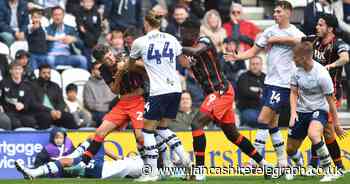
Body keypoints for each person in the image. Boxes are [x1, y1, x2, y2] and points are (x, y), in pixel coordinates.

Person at [180, 19, 271, 181]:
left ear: (194, 32)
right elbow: (185, 63)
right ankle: (265, 165)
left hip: (221, 91)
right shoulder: (186, 47)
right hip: (214, 93)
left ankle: (200, 172)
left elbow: (195, 52)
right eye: (181, 31)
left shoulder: (204, 41)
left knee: (196, 124)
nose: (182, 34)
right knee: (232, 135)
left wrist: (177, 47)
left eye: (185, 32)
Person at [224, 1, 305, 174]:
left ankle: (256, 160)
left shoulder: (295, 32)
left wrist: (279, 39)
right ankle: (284, 162)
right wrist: (238, 57)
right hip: (270, 82)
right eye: (274, 11)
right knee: (272, 124)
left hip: (283, 84)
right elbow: (253, 51)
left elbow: (304, 42)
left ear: (288, 13)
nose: (275, 14)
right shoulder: (269, 31)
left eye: (278, 11)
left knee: (262, 119)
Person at [129, 10, 191, 181]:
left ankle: (152, 172)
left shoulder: (139, 42)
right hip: (176, 89)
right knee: (162, 128)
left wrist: (141, 64)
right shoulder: (171, 38)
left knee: (147, 131)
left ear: (146, 23)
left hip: (158, 91)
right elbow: (184, 63)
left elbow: (130, 66)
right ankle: (186, 159)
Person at [79, 44, 148, 177]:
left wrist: (129, 64)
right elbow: (114, 90)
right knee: (100, 131)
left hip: (138, 100)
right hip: (123, 102)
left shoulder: (124, 57)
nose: (110, 59)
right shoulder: (104, 70)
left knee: (140, 136)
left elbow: (145, 67)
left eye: (110, 55)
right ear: (101, 62)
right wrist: (120, 73)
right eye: (106, 59)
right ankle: (82, 164)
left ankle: (157, 164)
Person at [286, 42, 341, 182]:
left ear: (304, 58)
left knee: (314, 134)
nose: (293, 60)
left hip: (319, 109)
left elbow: (331, 102)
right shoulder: (296, 71)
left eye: (295, 57)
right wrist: (293, 113)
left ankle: (329, 171)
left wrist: (336, 124)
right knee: (290, 149)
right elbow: (293, 93)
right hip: (301, 111)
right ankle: (299, 166)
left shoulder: (322, 75)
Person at [303, 13, 349, 175]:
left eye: (321, 25)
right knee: (317, 128)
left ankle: (336, 167)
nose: (317, 27)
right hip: (313, 94)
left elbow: (345, 58)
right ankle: (315, 166)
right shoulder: (313, 40)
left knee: (326, 130)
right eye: (317, 24)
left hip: (331, 94)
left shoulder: (339, 43)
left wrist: (331, 65)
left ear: (330, 28)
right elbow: (295, 39)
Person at [15, 138, 143, 180]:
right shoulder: (135, 161)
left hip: (104, 170)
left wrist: (160, 171)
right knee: (94, 139)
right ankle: (73, 157)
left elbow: (155, 169)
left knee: (65, 162)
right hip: (107, 165)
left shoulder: (143, 165)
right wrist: (118, 157)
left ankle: (33, 173)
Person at [31, 64, 79, 129]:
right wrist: (50, 111)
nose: (46, 75)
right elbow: (34, 104)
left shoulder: (55, 86)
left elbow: (61, 102)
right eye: (44, 73)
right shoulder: (33, 86)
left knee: (69, 116)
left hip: (56, 113)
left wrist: (58, 111)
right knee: (45, 117)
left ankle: (74, 138)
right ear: (39, 74)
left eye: (48, 73)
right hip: (41, 112)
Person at [0, 62, 43, 129]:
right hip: (8, 112)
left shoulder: (27, 85)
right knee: (16, 124)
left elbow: (29, 100)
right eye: (15, 69)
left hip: (23, 112)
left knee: (31, 122)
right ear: (10, 71)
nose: (17, 71)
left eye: (19, 69)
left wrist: (23, 105)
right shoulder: (3, 83)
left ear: (22, 70)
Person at [83, 62, 116, 127]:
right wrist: (107, 107)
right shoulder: (88, 85)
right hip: (97, 113)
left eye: (102, 69)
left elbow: (115, 99)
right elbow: (90, 105)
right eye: (98, 69)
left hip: (110, 111)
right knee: (105, 118)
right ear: (93, 71)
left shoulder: (109, 82)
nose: (101, 71)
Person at [237, 56, 266, 129]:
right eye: (253, 64)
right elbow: (245, 92)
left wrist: (255, 90)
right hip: (248, 109)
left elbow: (269, 93)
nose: (255, 66)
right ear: (249, 66)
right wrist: (260, 92)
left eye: (257, 64)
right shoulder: (243, 77)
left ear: (261, 65)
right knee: (254, 118)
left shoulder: (266, 77)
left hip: (264, 109)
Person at [76, 0, 102, 64]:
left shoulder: (96, 13)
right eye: (86, 2)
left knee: (98, 57)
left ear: (93, 2)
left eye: (90, 2)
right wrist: (89, 37)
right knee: (87, 58)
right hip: (84, 40)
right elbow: (81, 28)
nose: (88, 4)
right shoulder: (79, 13)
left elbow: (98, 27)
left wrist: (95, 38)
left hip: (95, 39)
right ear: (82, 3)